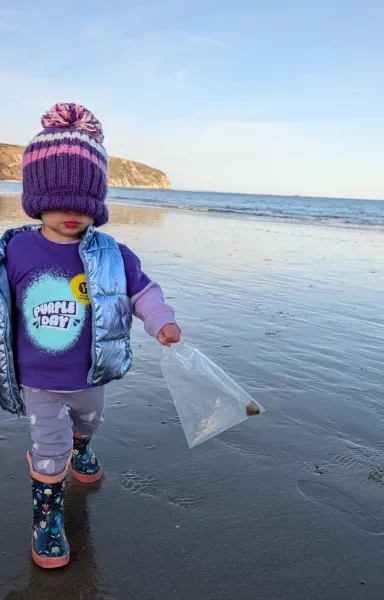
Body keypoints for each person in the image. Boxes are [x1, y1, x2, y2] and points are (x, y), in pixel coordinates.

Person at [0, 102, 181, 570]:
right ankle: (48, 515)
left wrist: (159, 320)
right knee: (49, 445)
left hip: (90, 373)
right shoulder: (17, 250)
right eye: (58, 203)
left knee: (88, 423)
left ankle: (83, 448)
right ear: (37, 199)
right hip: (37, 377)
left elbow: (142, 291)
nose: (71, 214)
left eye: (82, 205)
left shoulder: (111, 253)